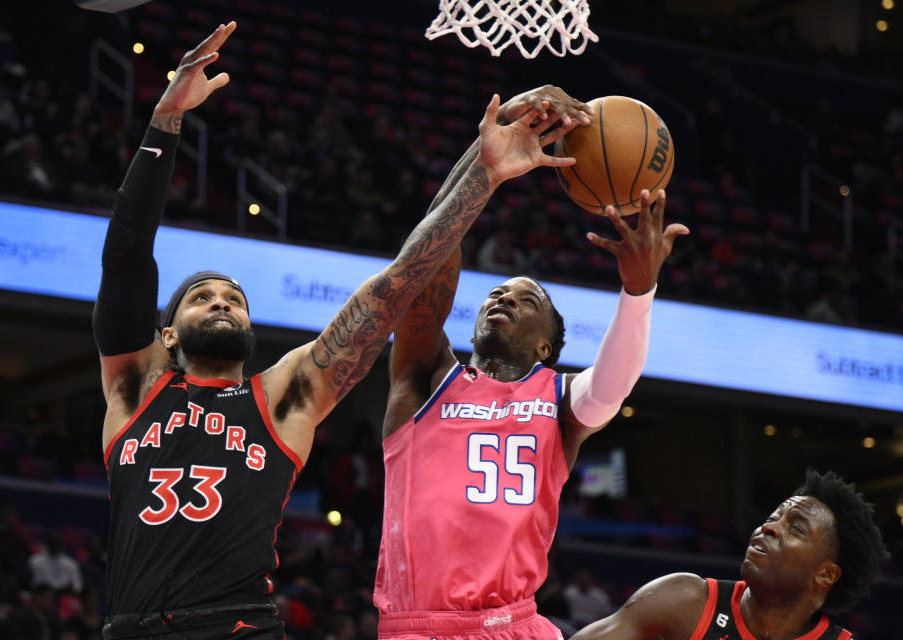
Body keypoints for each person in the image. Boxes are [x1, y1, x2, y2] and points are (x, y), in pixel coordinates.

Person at [91, 23, 581, 640]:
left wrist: (484, 172)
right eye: (201, 297)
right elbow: (128, 255)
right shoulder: (134, 388)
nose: (222, 304)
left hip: (242, 627)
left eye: (234, 299)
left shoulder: (284, 394)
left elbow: (401, 282)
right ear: (165, 336)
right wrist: (164, 121)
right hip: (131, 627)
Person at [374, 84, 690, 639]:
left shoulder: (559, 402)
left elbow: (611, 386)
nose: (504, 298)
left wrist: (638, 293)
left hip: (513, 624)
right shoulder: (425, 378)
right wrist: (485, 162)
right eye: (497, 293)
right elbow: (427, 252)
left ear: (547, 347)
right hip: (415, 626)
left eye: (528, 299)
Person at [568, 469, 888, 640]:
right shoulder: (682, 601)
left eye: (796, 528)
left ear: (826, 574)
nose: (770, 528)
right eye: (773, 517)